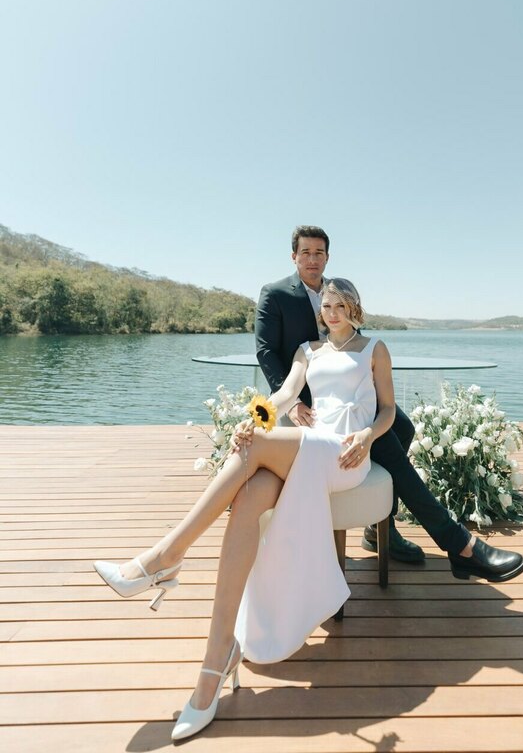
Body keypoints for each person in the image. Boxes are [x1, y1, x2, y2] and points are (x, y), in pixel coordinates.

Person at [94, 278, 398, 742]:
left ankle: (164, 558)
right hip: (307, 446)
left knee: (254, 451)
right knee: (252, 494)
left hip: (344, 452)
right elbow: (280, 398)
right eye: (327, 305)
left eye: (340, 305)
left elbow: (389, 411)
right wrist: (251, 418)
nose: (331, 312)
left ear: (354, 307)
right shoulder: (307, 351)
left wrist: (367, 438)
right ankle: (215, 664)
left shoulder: (374, 348)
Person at [255, 225, 523, 582]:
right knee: (392, 452)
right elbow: (271, 361)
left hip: (359, 406)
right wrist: (270, 412)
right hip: (316, 409)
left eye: (319, 253)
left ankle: (385, 521)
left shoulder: (350, 312)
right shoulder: (279, 300)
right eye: (305, 253)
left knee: (402, 428)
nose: (312, 259)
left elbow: (374, 384)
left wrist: (367, 432)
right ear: (294, 256)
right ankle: (455, 545)